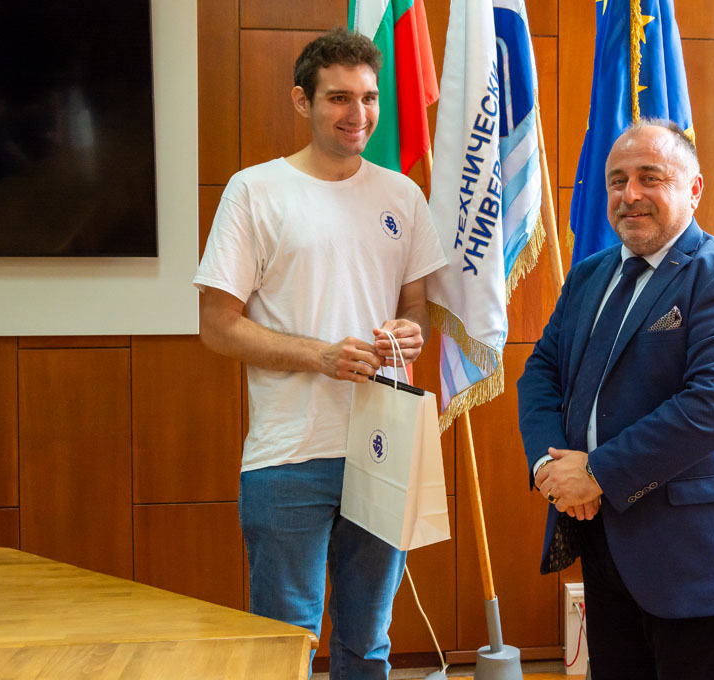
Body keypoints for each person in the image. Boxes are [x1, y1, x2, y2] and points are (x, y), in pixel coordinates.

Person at [193, 28, 446, 679]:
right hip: (289, 454)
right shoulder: (255, 191)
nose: (358, 114)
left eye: (369, 98)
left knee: (368, 643)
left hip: (383, 448)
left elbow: (415, 308)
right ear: (302, 101)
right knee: (285, 646)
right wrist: (320, 356)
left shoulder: (402, 196)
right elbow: (217, 326)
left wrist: (409, 333)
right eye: (338, 98)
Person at [517, 119, 714, 680]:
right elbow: (540, 374)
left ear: (693, 189)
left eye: (649, 177)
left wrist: (597, 473)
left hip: (695, 561)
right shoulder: (589, 275)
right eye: (617, 180)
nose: (629, 194)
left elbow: (712, 408)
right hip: (605, 543)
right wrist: (550, 468)